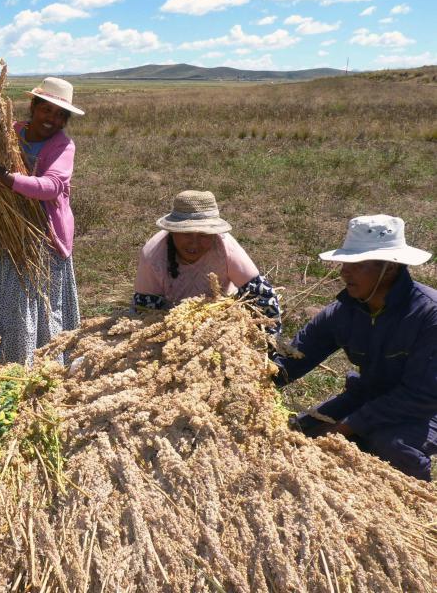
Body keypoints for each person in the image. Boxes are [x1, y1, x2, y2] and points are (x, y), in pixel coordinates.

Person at [273, 214, 436, 481]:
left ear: (390, 268)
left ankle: (418, 507)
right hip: (367, 395)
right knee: (299, 433)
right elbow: (294, 357)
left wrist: (350, 426)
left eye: (356, 264)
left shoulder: (429, 315)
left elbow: (422, 395)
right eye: (345, 263)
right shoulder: (344, 311)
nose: (343, 272)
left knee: (390, 446)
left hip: (424, 409)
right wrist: (249, 379)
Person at [0, 77, 83, 365]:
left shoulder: (63, 145)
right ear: (33, 106)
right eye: (46, 110)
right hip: (0, 228)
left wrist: (6, 180)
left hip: (39, 234)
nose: (52, 119)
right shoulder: (12, 132)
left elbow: (52, 186)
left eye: (60, 115)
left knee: (21, 299)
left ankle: (27, 358)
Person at [132, 190, 280, 329]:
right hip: (169, 321)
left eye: (203, 235)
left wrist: (267, 344)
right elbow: (146, 308)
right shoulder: (153, 255)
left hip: (222, 318)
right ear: (173, 232)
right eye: (187, 233)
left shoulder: (226, 247)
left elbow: (262, 295)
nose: (194, 243)